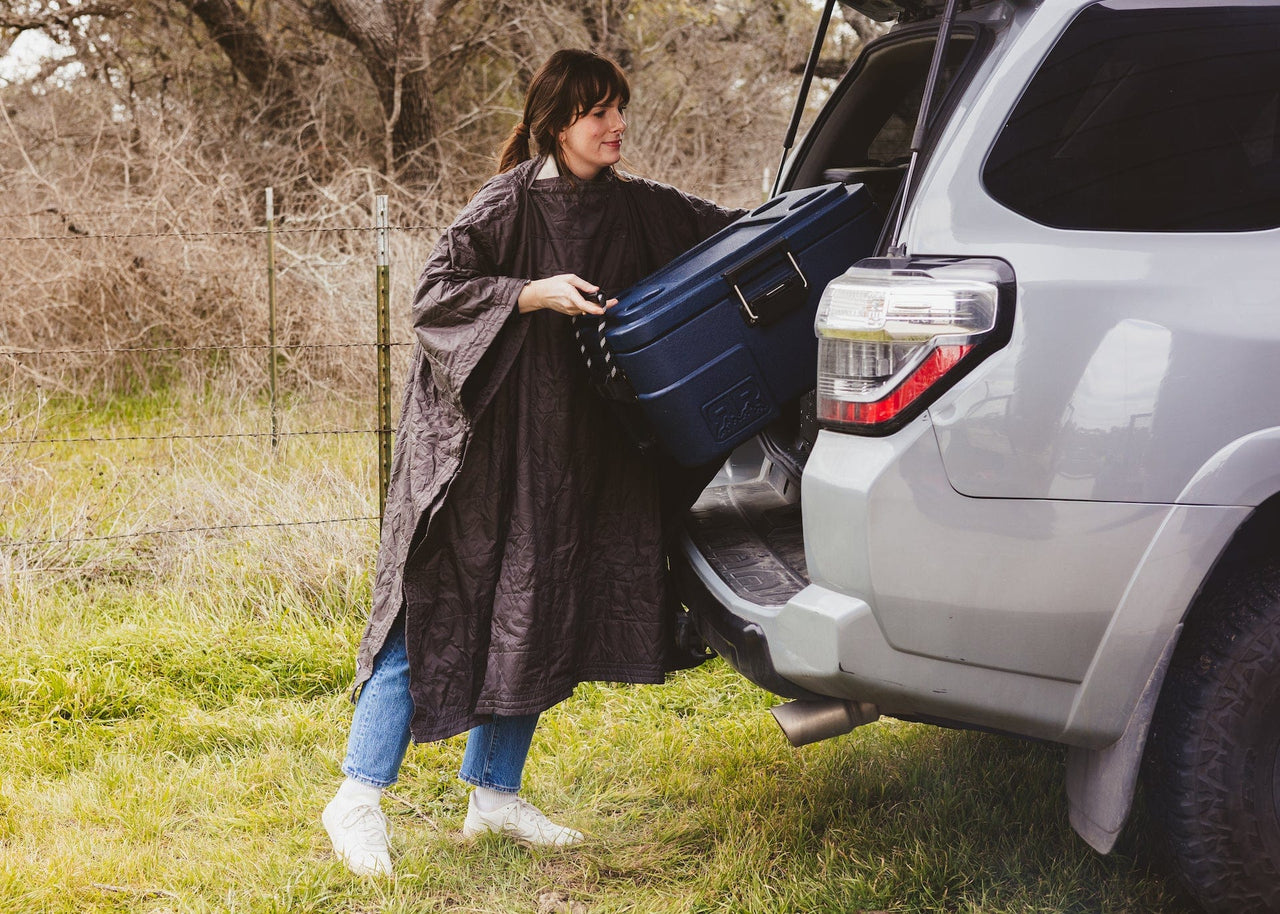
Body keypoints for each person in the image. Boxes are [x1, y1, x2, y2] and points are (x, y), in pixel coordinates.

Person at [321, 48, 745, 877]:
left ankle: (495, 797)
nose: (615, 126)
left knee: (538, 602)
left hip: (567, 454)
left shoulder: (638, 208)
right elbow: (435, 294)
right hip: (479, 450)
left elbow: (731, 233)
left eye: (620, 109)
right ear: (557, 123)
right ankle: (357, 798)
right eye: (598, 113)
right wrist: (529, 292)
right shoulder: (508, 201)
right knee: (437, 605)